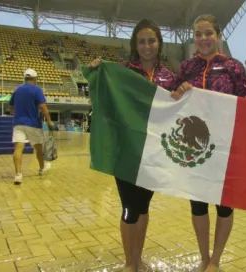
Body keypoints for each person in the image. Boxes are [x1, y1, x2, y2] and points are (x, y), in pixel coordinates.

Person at [87, 19, 177, 272]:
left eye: (152, 40)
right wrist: (97, 71)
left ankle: (139, 257)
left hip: (154, 154)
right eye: (142, 41)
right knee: (129, 207)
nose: (147, 46)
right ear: (134, 45)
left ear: (159, 43)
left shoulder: (169, 77)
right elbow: (105, 97)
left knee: (144, 205)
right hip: (127, 152)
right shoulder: (123, 72)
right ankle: (129, 262)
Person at [171, 14, 246, 272]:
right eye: (199, 34)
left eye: (209, 33)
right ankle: (203, 258)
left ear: (218, 36)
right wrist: (179, 92)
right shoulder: (186, 68)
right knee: (197, 204)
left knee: (224, 205)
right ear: (194, 38)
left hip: (225, 148)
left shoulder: (234, 67)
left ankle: (216, 259)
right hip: (195, 149)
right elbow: (172, 101)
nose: (204, 39)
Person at [9, 68, 54, 185]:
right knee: (38, 148)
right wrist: (49, 121)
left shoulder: (17, 90)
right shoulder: (36, 90)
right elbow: (43, 107)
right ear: (35, 79)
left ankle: (18, 175)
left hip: (18, 123)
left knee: (18, 148)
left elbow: (11, 106)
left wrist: (16, 114)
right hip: (33, 123)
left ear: (25, 78)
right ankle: (41, 168)